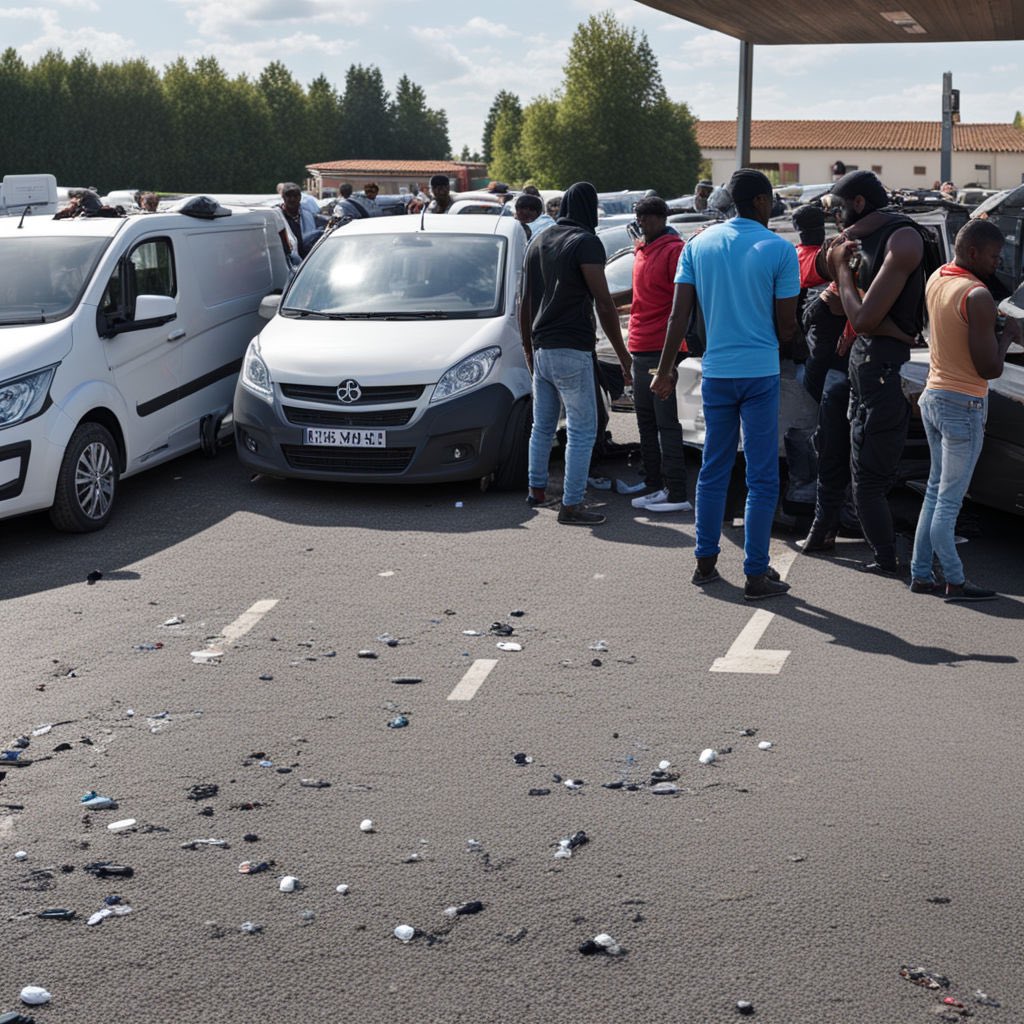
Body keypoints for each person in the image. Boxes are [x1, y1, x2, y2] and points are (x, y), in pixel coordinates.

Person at [652, 169, 800, 599]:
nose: (772, 208)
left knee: (713, 467)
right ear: (758, 202)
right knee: (761, 475)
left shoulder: (697, 244)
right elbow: (787, 326)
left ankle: (705, 563)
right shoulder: (778, 249)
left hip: (715, 372)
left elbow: (678, 317)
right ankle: (756, 572)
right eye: (770, 201)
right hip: (759, 373)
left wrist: (664, 371)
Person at [909, 219, 1019, 601]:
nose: (997, 262)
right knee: (949, 503)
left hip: (934, 396)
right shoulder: (977, 295)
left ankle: (921, 573)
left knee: (935, 493)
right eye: (993, 256)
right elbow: (989, 368)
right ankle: (954, 579)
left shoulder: (939, 277)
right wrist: (1007, 335)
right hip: (964, 403)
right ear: (973, 252)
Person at [824, 169, 925, 575]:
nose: (837, 220)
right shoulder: (863, 240)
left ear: (860, 203)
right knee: (856, 466)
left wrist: (842, 270)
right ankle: (881, 550)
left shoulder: (901, 238)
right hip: (867, 367)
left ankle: (888, 558)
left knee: (868, 479)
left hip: (884, 371)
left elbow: (863, 316)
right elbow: (843, 307)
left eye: (840, 209)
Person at [518, 182, 633, 526]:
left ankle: (536, 490)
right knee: (583, 429)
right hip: (572, 347)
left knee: (542, 425)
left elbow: (525, 302)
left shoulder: (538, 240)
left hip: (541, 348)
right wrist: (624, 357)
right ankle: (571, 505)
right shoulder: (585, 242)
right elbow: (604, 303)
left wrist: (527, 346)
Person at [624, 196, 690, 514]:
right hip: (638, 345)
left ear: (663, 218)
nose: (644, 221)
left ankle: (675, 492)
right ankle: (653, 481)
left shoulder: (674, 250)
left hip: (662, 349)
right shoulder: (641, 249)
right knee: (645, 421)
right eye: (640, 216)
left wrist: (673, 354)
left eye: (650, 216)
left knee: (666, 424)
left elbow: (684, 303)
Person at [279, 182, 326, 263]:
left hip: (307, 264)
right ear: (283, 197)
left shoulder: (308, 215)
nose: (292, 199)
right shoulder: (277, 216)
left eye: (295, 196)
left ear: (300, 197)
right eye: (289, 196)